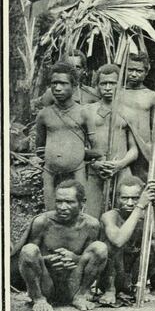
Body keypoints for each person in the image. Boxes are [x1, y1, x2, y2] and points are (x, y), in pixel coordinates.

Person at [14, 180, 107, 311]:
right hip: (46, 283)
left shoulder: (91, 225)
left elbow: (91, 259)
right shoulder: (42, 222)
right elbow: (28, 258)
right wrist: (47, 261)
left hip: (73, 283)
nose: (63, 207)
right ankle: (39, 299)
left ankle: (80, 296)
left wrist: (75, 258)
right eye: (59, 201)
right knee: (28, 249)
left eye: (69, 202)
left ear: (82, 202)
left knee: (100, 247)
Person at [35, 62, 99, 211]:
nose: (57, 88)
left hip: (77, 172)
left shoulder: (83, 113)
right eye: (54, 83)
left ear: (74, 86)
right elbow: (39, 148)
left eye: (63, 83)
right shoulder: (44, 114)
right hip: (50, 174)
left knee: (78, 213)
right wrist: (52, 160)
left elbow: (97, 149)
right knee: (51, 214)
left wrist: (75, 156)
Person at [99, 177, 155, 304]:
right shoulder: (110, 216)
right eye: (124, 198)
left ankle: (137, 287)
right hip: (113, 275)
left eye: (135, 198)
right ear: (117, 198)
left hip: (134, 274)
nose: (130, 203)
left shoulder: (145, 217)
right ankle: (110, 290)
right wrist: (140, 205)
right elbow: (118, 241)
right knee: (110, 245)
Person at [85, 64, 138, 219]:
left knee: (121, 216)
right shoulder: (87, 111)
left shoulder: (129, 112)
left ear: (119, 85)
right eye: (103, 83)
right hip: (96, 171)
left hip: (121, 170)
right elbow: (81, 147)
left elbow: (134, 149)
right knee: (92, 217)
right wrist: (95, 163)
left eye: (112, 83)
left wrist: (120, 164)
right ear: (97, 86)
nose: (108, 88)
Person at [119, 53, 155, 179]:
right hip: (121, 146)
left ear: (146, 72)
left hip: (144, 148)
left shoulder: (151, 96)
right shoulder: (117, 93)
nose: (134, 74)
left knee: (143, 180)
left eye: (139, 71)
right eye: (130, 70)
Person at [33, 50, 98, 109]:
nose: (73, 71)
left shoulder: (92, 94)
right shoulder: (53, 93)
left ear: (84, 70)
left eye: (77, 68)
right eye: (68, 67)